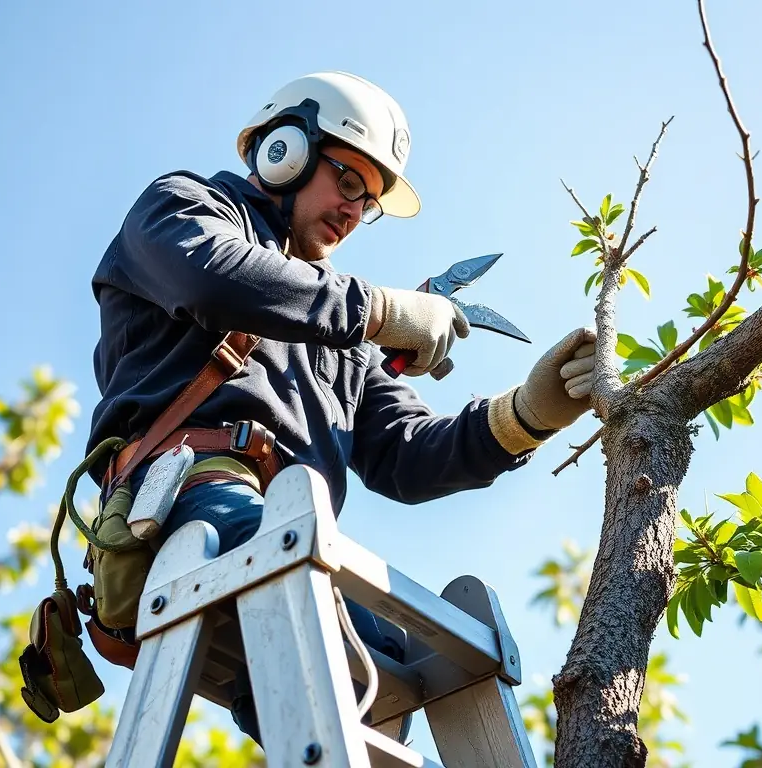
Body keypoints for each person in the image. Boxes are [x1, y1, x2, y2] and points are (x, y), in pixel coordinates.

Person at [83, 71, 598, 746]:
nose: (355, 211)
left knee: (385, 669)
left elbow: (408, 456)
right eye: (350, 181)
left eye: (371, 201)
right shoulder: (182, 209)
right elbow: (214, 279)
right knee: (347, 644)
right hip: (190, 501)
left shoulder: (337, 334)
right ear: (285, 150)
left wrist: (526, 415)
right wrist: (380, 311)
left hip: (286, 526)